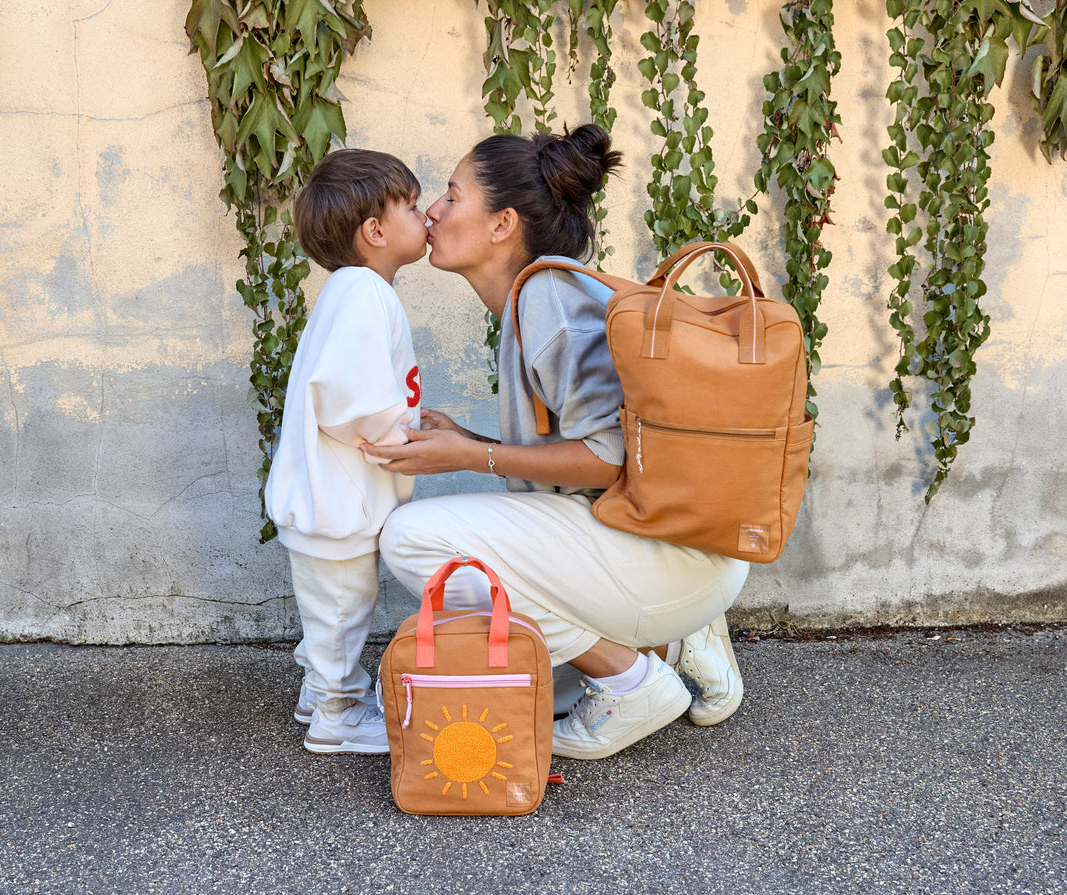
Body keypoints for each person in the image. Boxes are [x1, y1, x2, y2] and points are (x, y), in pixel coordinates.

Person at [363, 124, 748, 760]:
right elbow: (593, 452)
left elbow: (610, 458)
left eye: (452, 197)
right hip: (663, 542)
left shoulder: (550, 303)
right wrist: (473, 439)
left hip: (671, 556)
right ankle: (678, 641)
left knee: (412, 540)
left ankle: (635, 683)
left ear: (501, 224)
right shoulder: (539, 297)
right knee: (536, 678)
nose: (432, 210)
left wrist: (472, 456)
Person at [264, 149, 430, 755]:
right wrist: (398, 434)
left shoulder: (353, 289)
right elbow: (346, 396)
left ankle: (319, 689)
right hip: (337, 500)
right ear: (376, 231)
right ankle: (337, 712)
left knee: (333, 609)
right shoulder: (364, 291)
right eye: (412, 207)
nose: (426, 217)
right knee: (341, 610)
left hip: (332, 496)